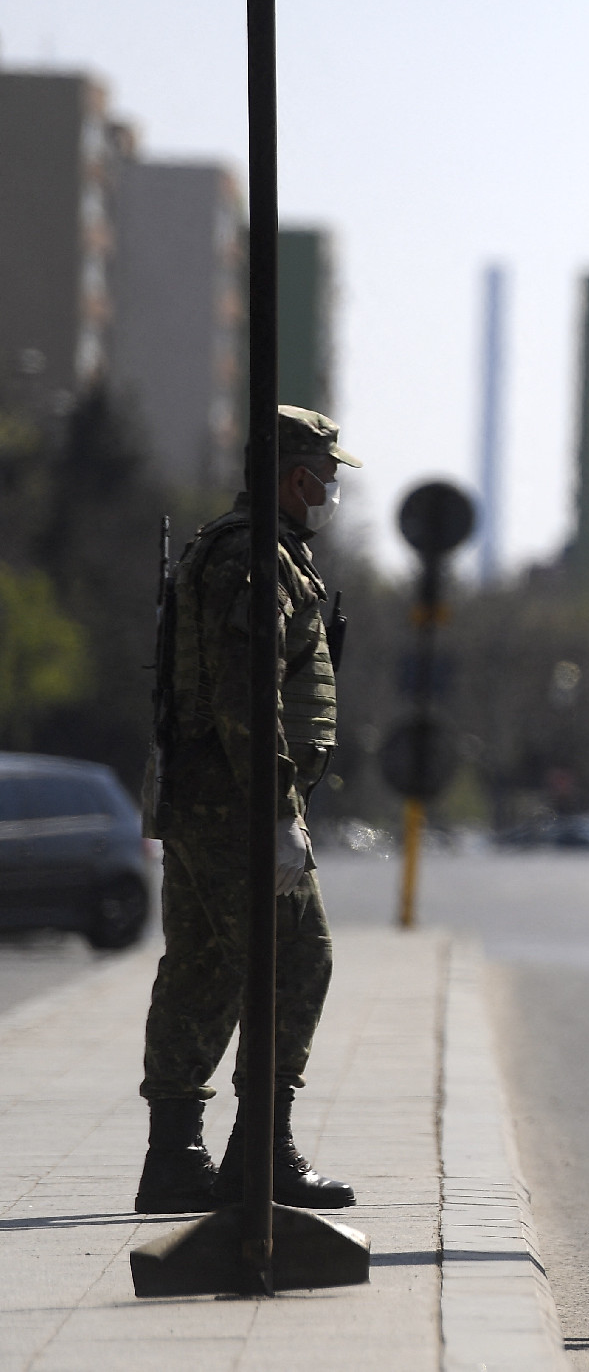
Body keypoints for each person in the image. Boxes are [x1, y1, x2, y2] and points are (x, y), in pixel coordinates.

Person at [134, 405, 358, 1215]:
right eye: (328, 478)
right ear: (298, 478)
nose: (332, 493)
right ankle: (261, 1151)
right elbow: (245, 686)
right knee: (298, 958)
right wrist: (276, 805)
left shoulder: (233, 547)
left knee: (204, 967)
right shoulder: (256, 556)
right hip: (236, 801)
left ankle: (174, 1157)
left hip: (202, 795)